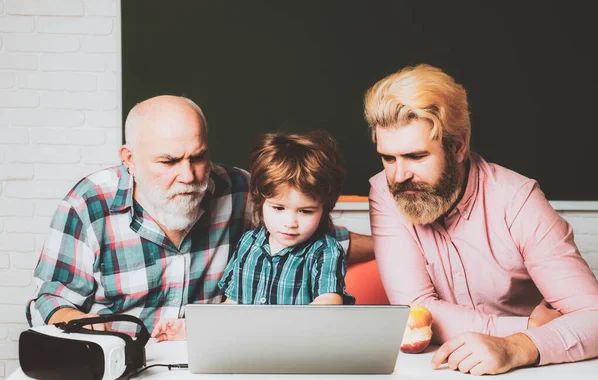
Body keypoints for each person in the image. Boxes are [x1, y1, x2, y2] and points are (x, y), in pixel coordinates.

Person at [26, 95, 372, 334]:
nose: (189, 176)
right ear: (129, 159)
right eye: (169, 161)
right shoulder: (90, 203)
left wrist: (404, 245)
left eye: (198, 157)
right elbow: (50, 299)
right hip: (124, 359)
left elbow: (313, 238)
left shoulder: (238, 189)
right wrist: (81, 323)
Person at [364, 64, 598, 375]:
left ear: (458, 145)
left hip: (532, 371)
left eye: (417, 157)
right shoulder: (385, 192)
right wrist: (525, 326)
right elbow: (414, 311)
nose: (399, 175)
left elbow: (595, 316)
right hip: (436, 369)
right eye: (388, 158)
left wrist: (516, 347)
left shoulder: (518, 200)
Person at [152, 131, 356, 341]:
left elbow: (329, 303)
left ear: (324, 209)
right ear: (260, 200)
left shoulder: (325, 251)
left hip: (301, 348)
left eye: (306, 211)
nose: (290, 222)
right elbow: (232, 305)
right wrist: (193, 328)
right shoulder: (249, 243)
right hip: (249, 347)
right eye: (278, 208)